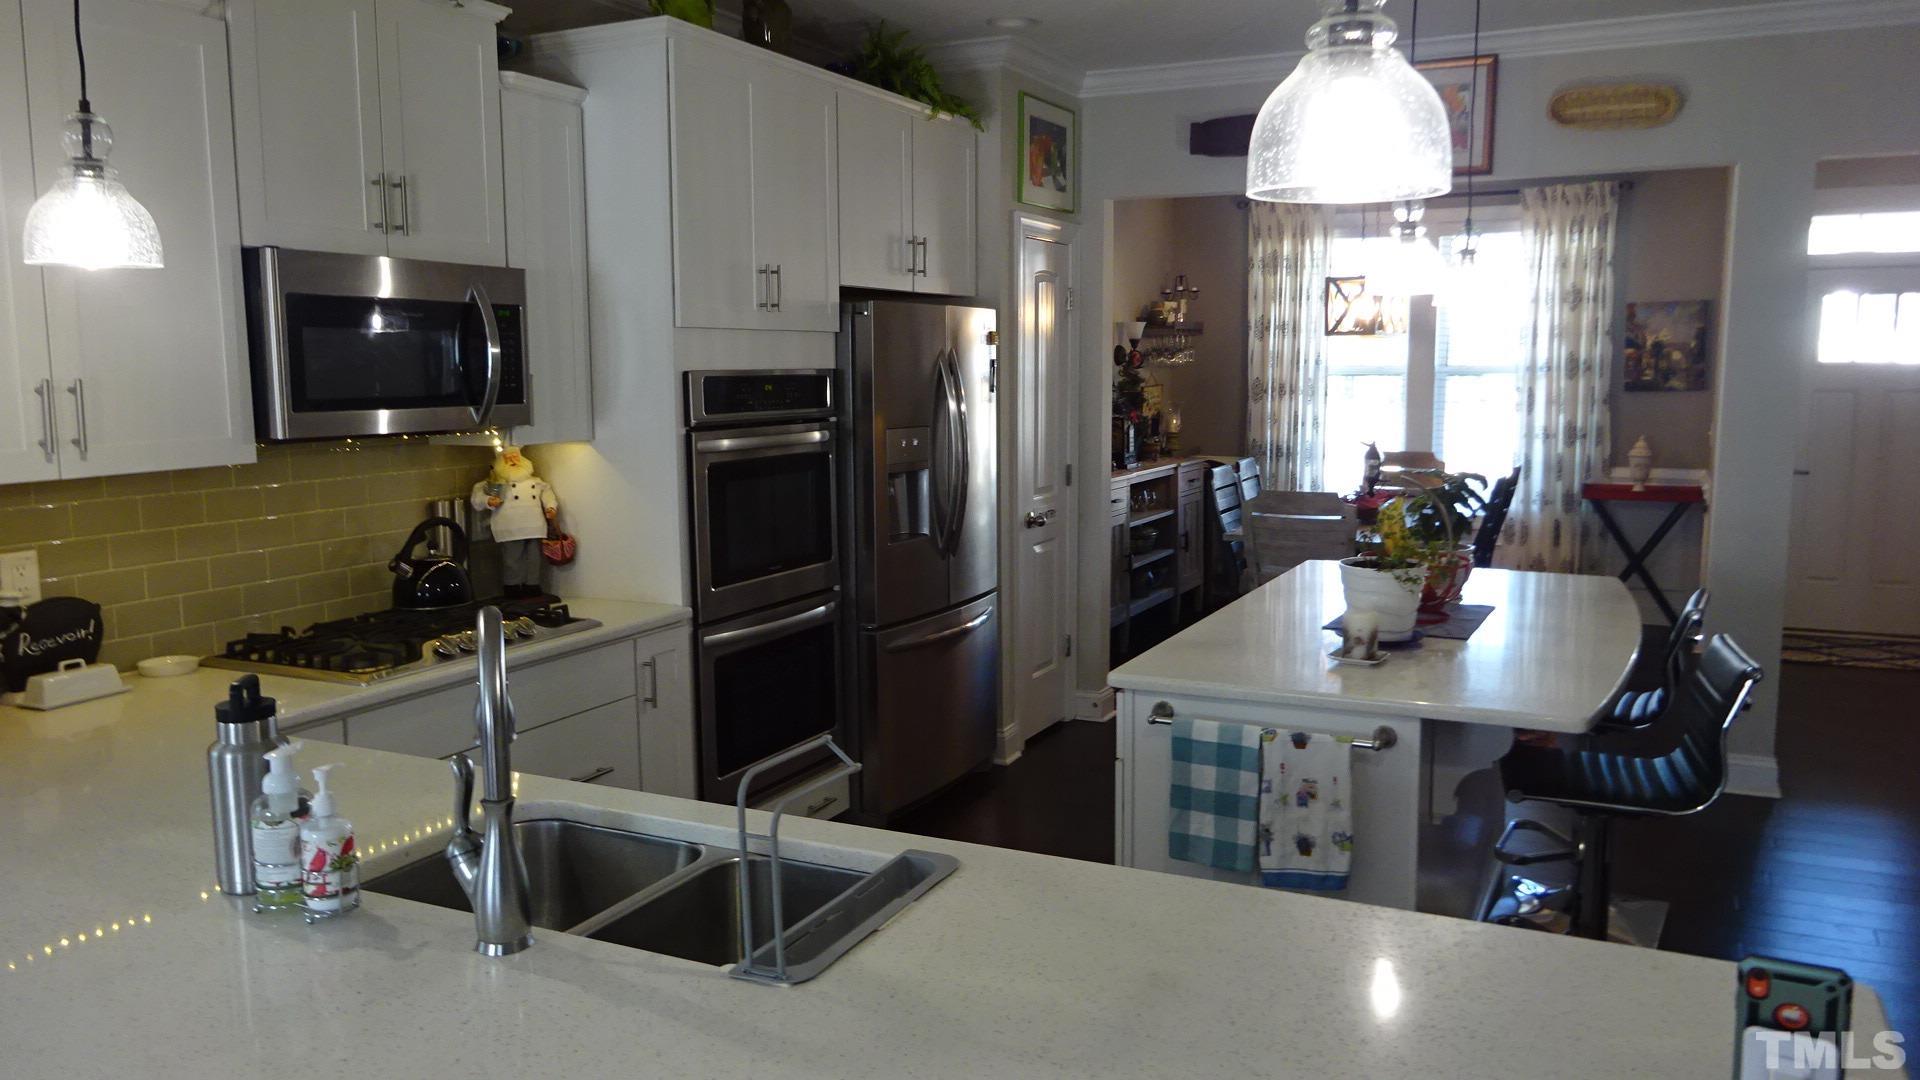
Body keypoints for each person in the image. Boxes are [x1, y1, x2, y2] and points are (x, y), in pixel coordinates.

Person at [471, 445, 557, 597]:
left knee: (534, 558)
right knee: (512, 559)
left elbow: (547, 492)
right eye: (508, 458)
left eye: (515, 457)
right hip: (511, 527)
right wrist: (488, 500)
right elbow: (477, 496)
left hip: (535, 526)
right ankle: (512, 588)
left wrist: (551, 507)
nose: (512, 461)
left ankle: (532, 586)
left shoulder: (535, 481)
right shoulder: (495, 483)